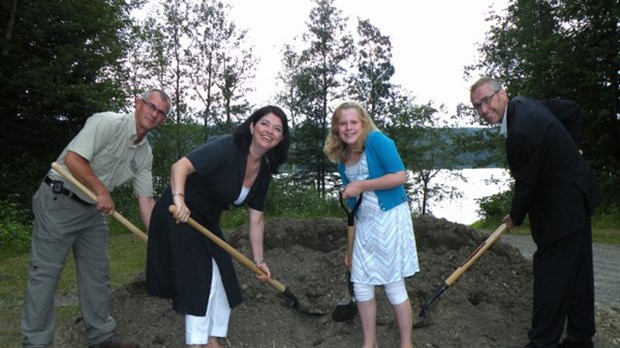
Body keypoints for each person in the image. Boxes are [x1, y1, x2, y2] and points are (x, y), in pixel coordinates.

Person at [21, 89, 172, 348]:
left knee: (97, 273)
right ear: (138, 103)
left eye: (161, 113)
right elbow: (73, 158)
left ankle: (101, 338)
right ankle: (35, 342)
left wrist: (157, 239)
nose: (154, 114)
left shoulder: (144, 153)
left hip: (92, 211)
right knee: (45, 275)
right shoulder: (107, 122)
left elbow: (146, 201)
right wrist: (101, 190)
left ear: (163, 119)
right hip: (60, 200)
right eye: (151, 106)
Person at [469, 77, 601, 348]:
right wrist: (571, 150)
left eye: (486, 100)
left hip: (562, 206)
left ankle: (542, 342)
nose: (483, 110)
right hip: (576, 192)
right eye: (476, 106)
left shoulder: (521, 130)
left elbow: (526, 184)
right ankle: (580, 337)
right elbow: (570, 109)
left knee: (550, 274)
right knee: (577, 271)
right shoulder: (523, 104)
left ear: (501, 93)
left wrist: (514, 216)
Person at [146, 105, 290, 348]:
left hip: (207, 220)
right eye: (265, 123)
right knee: (200, 279)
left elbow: (256, 218)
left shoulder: (263, 171)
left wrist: (259, 260)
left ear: (281, 138)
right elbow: (180, 167)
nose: (270, 131)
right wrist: (179, 200)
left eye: (277, 129)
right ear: (253, 126)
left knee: (223, 276)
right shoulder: (229, 146)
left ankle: (212, 339)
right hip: (179, 213)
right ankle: (196, 342)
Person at [323, 101, 419, 348]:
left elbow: (400, 176)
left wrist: (362, 184)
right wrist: (349, 248)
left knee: (392, 282)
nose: (348, 128)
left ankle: (406, 343)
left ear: (362, 122)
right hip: (364, 222)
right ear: (336, 128)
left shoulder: (377, 141)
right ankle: (369, 343)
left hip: (390, 219)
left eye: (353, 122)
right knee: (361, 282)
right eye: (342, 124)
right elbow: (352, 203)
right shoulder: (342, 155)